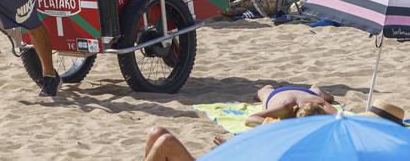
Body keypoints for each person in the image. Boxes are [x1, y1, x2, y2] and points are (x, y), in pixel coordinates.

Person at [142, 102, 332, 161]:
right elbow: (252, 120)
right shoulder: (278, 130)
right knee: (156, 132)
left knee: (166, 141)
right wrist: (229, 147)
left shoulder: (301, 151)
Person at [246, 84, 337, 126]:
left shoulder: (318, 102)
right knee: (263, 93)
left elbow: (339, 115)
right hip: (276, 95)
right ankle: (267, 87)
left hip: (306, 93)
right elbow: (250, 118)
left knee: (326, 96)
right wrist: (277, 123)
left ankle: (315, 88)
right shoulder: (284, 107)